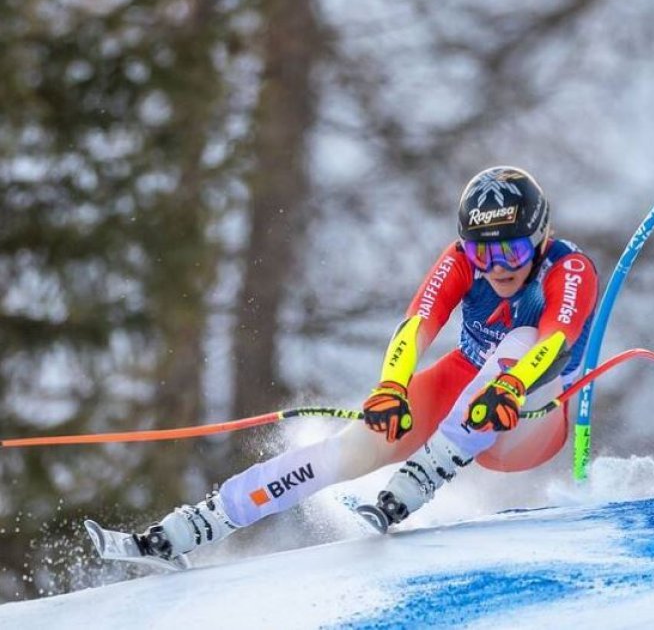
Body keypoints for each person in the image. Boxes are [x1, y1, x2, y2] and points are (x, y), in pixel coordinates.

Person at [133, 166, 598, 561]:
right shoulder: (459, 262)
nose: (497, 267)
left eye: (511, 251)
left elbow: (554, 338)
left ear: (541, 238)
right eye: (482, 253)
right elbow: (417, 323)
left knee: (518, 337)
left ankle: (424, 474)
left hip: (530, 414)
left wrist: (512, 385)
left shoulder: (570, 269)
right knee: (360, 443)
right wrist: (392, 386)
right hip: (468, 389)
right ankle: (201, 522)